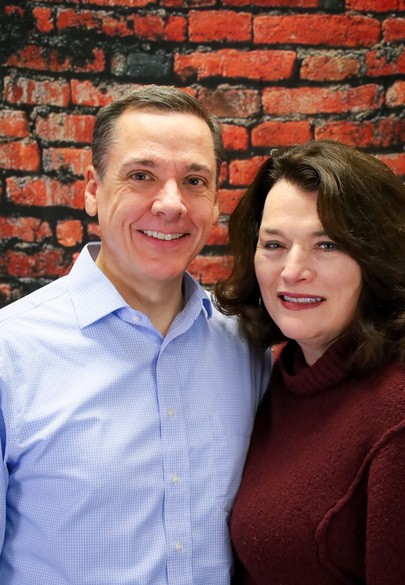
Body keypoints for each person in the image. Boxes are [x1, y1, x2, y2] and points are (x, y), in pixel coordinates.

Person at [0, 85, 270, 585]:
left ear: (215, 203)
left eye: (194, 181)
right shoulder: (9, 353)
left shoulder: (247, 349)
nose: (171, 204)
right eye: (141, 176)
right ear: (92, 190)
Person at [214, 140, 405, 585]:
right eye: (274, 244)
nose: (292, 270)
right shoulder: (293, 372)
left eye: (327, 244)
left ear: (377, 257)